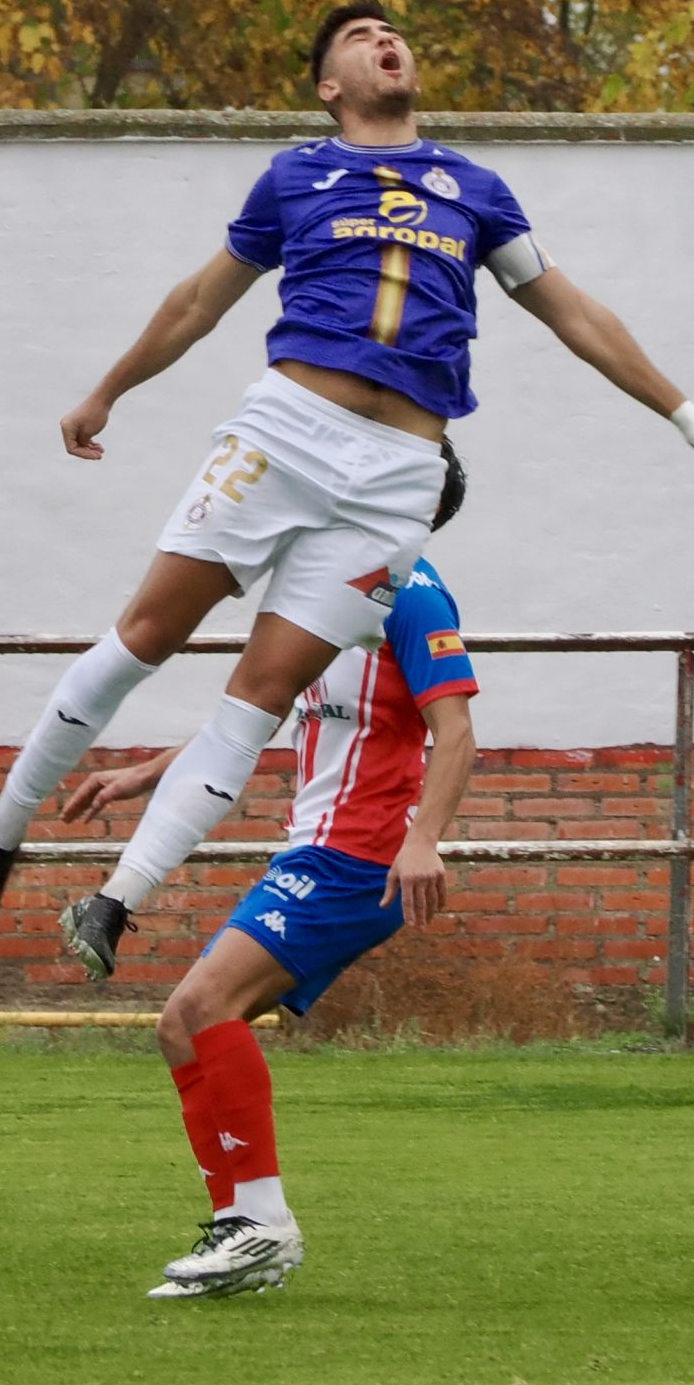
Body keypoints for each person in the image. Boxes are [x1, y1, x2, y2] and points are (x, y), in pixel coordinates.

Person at [0, 0, 694, 971]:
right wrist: (109, 390)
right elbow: (200, 300)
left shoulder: (475, 188)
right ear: (332, 86)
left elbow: (573, 313)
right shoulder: (298, 174)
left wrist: (690, 420)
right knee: (149, 636)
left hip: (399, 481)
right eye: (361, 40)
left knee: (263, 691)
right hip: (286, 433)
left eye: (394, 34)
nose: (388, 41)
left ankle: (122, 902)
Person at [62, 472, 479, 1298]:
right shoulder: (336, 600)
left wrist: (424, 840)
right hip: (317, 856)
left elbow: (458, 729)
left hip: (357, 862)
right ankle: (242, 1227)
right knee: (183, 1028)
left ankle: (259, 1227)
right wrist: (148, 772)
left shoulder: (414, 594)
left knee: (198, 1010)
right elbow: (254, 713)